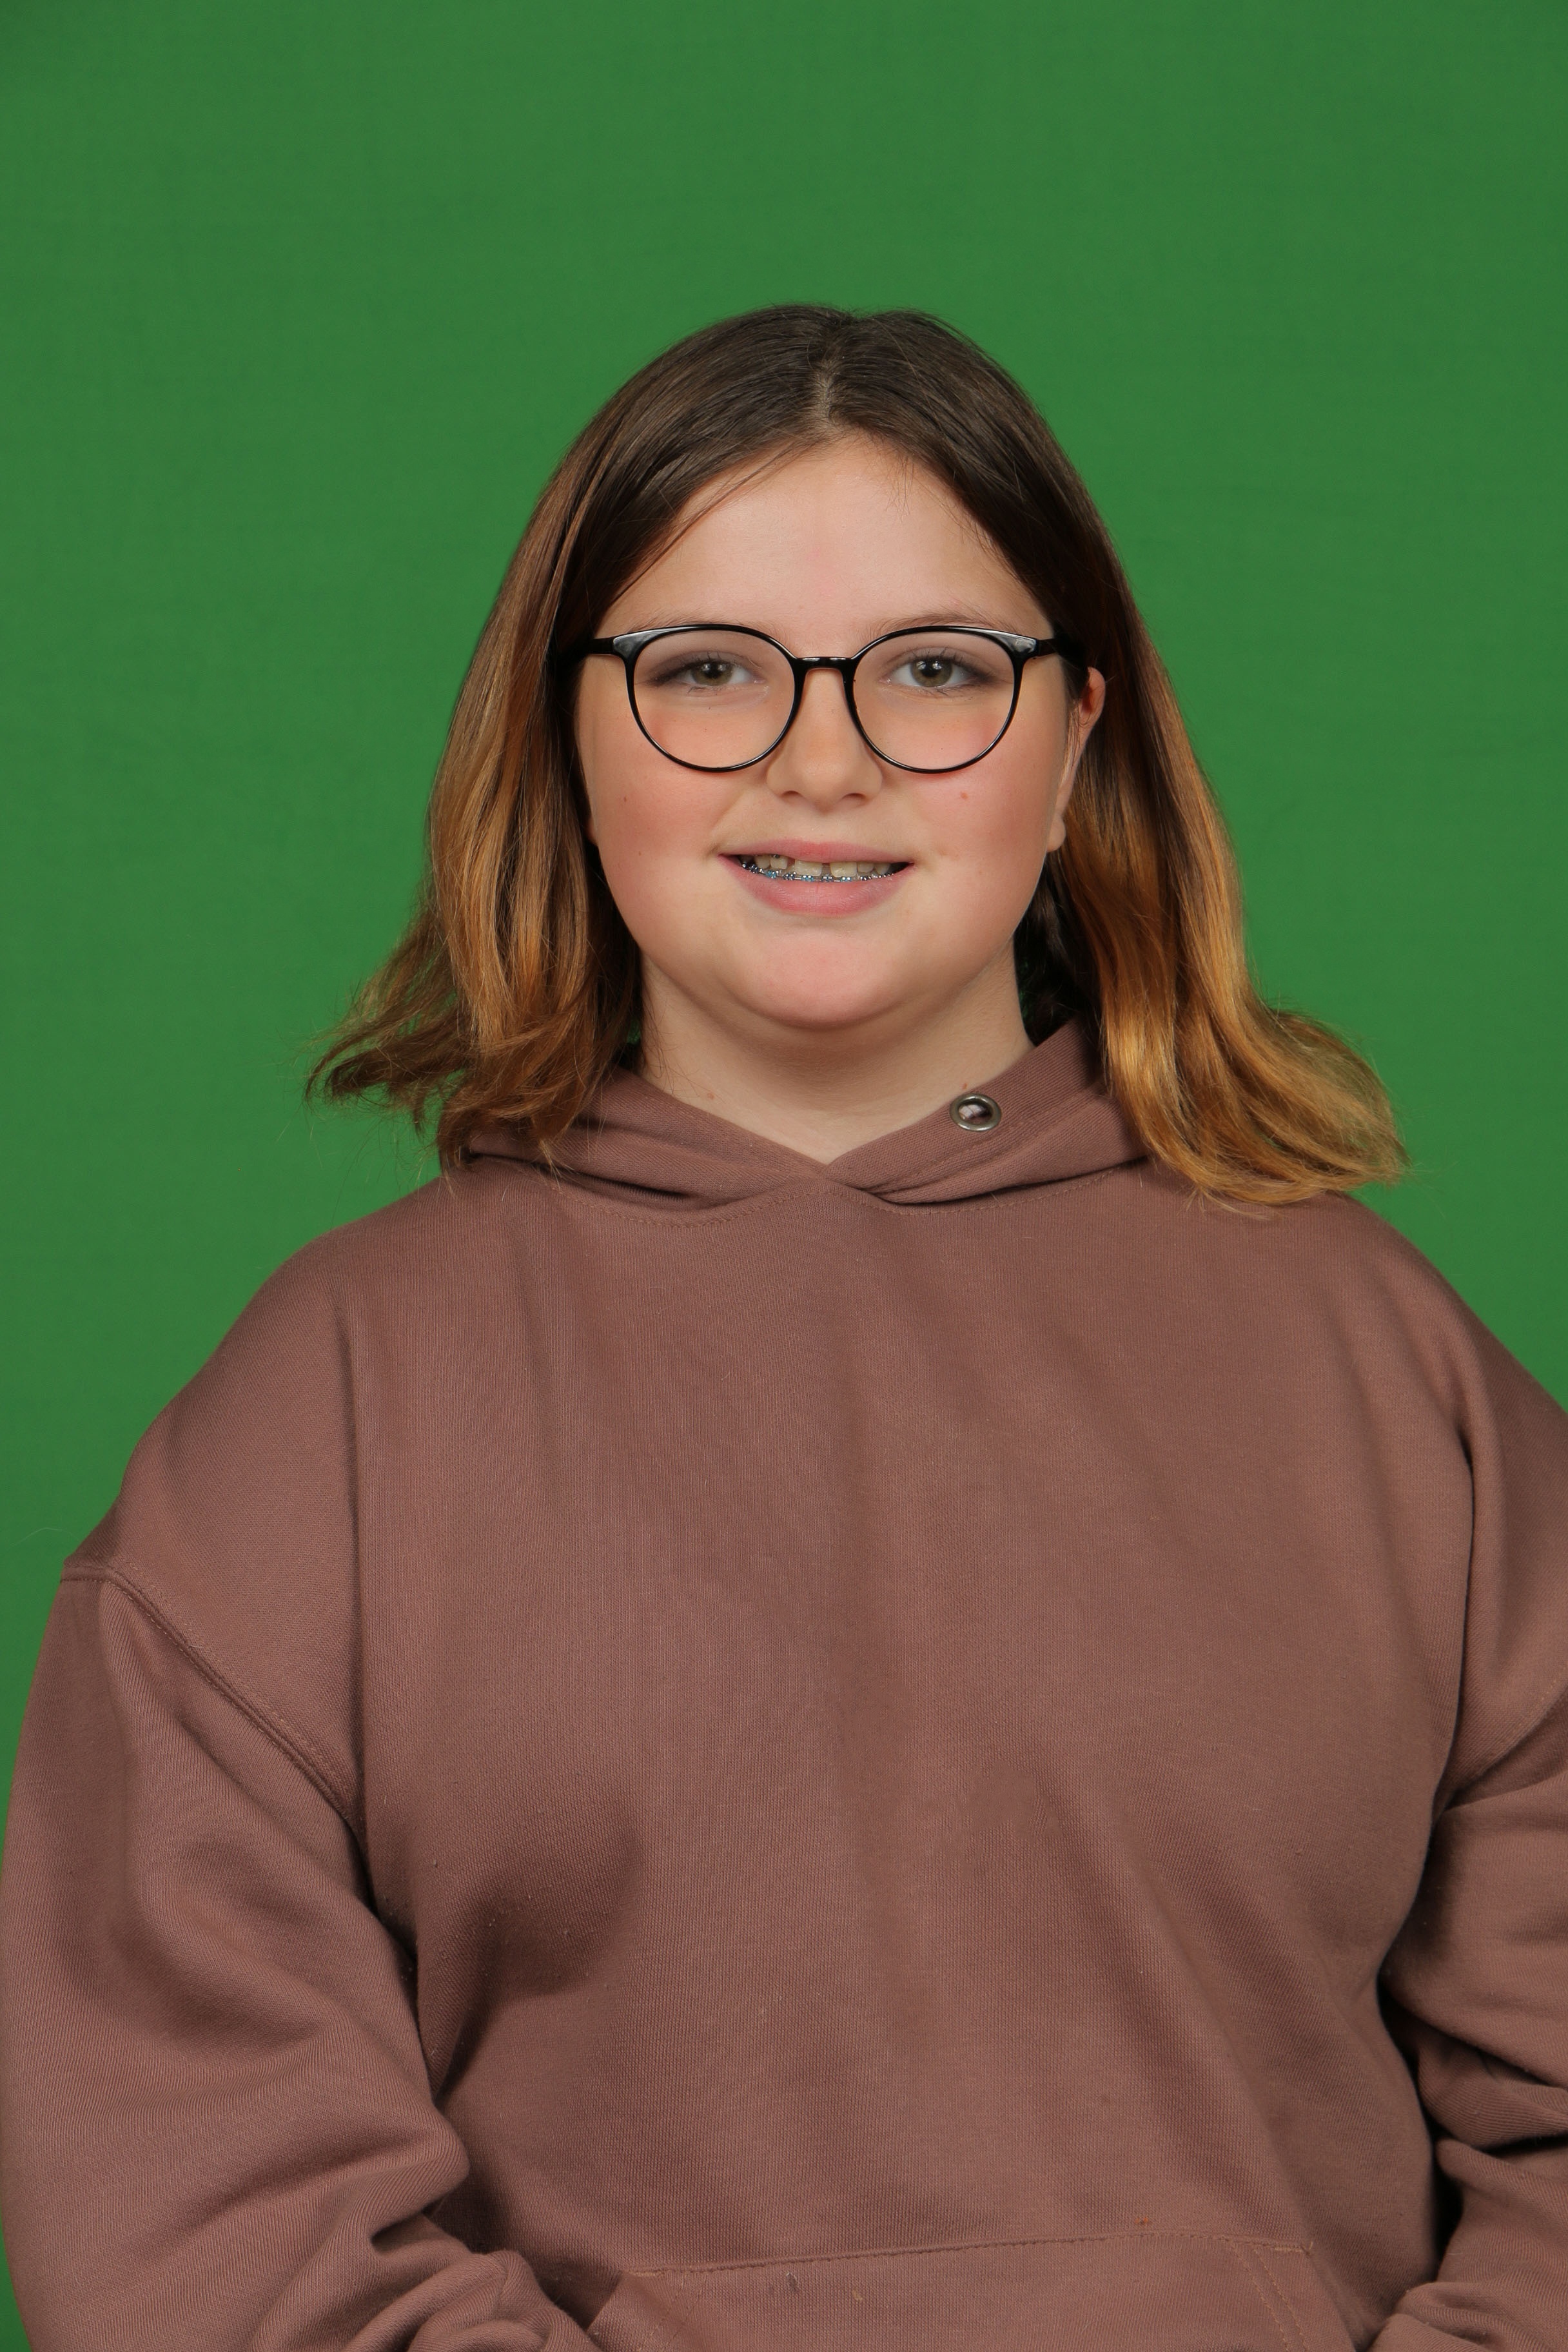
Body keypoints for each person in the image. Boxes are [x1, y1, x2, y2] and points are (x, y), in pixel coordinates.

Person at [1, 305, 1564, 2352]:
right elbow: (197, 2191)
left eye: (937, 668)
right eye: (709, 669)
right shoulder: (324, 1419)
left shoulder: (1395, 1381)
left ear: (1077, 736)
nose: (823, 760)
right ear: (568, 735)